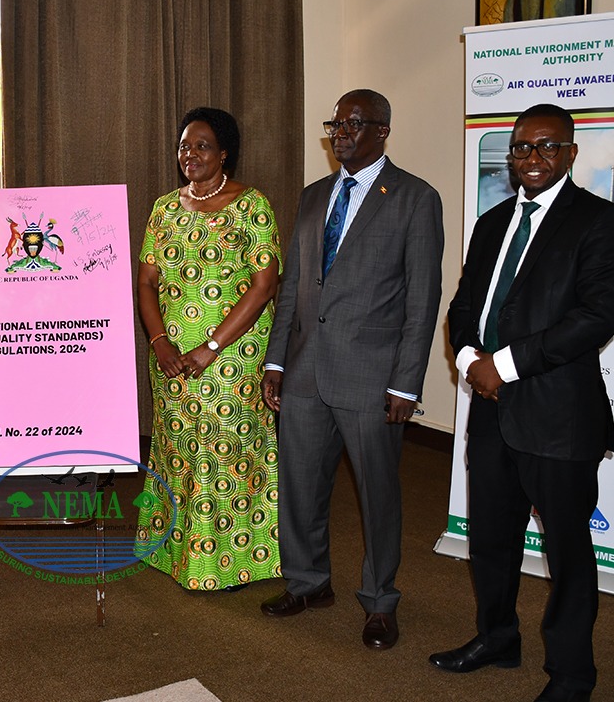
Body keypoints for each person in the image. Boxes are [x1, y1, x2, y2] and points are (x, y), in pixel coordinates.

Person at [432, 104, 614, 702]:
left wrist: (501, 365)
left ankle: (572, 673)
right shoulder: (490, 223)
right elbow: (463, 310)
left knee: (566, 552)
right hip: (489, 409)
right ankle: (497, 638)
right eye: (520, 148)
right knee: (490, 536)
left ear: (570, 153)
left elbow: (595, 317)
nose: (531, 159)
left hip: (558, 416)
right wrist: (467, 362)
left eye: (545, 147)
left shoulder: (598, 222)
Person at [259, 89, 443, 650]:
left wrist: (406, 382)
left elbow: (422, 299)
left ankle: (380, 602)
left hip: (372, 377)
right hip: (307, 369)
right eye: (336, 123)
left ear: (383, 131)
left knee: (378, 494)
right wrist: (275, 359)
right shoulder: (315, 196)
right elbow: (294, 284)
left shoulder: (414, 197)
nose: (341, 132)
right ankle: (309, 583)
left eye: (354, 124)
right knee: (300, 485)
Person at [134, 106, 281, 591]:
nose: (189, 154)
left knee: (227, 451)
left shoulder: (251, 204)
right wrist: (159, 343)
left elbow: (264, 286)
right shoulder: (164, 207)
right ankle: (174, 552)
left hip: (233, 354)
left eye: (201, 146)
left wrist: (212, 346)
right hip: (171, 354)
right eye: (183, 146)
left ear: (224, 154)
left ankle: (236, 560)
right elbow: (146, 282)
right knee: (178, 449)